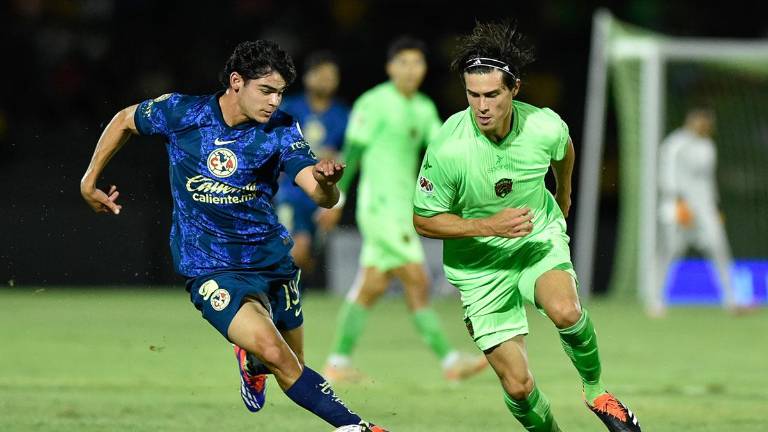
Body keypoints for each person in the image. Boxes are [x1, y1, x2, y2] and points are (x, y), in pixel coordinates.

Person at [80, 40, 386, 431]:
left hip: (271, 261)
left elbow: (320, 194)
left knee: (290, 362)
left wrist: (327, 184)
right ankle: (357, 427)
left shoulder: (281, 128)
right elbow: (125, 119)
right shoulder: (183, 112)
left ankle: (252, 363)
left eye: (280, 93)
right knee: (278, 354)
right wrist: (89, 180)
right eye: (267, 90)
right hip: (210, 266)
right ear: (237, 82)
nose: (274, 101)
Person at [412, 22, 641, 431]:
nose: (481, 106)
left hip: (535, 237)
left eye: (492, 95)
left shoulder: (543, 126)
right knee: (519, 387)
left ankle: (597, 392)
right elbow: (424, 220)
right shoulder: (449, 148)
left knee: (566, 311)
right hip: (479, 267)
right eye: (473, 95)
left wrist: (564, 192)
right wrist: (488, 225)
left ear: (514, 89)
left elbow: (564, 149)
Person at [322, 36, 488, 383]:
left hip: (402, 207)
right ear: (390, 68)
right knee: (417, 279)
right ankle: (450, 361)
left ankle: (337, 362)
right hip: (379, 207)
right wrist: (337, 199)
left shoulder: (423, 108)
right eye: (404, 63)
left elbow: (442, 151)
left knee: (371, 286)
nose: (411, 70)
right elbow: (352, 154)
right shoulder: (373, 103)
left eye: (417, 63)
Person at [654, 107, 740, 317]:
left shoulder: (708, 146)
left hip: (705, 208)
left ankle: (731, 300)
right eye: (703, 122)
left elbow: (708, 181)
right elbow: (666, 173)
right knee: (670, 252)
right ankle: (656, 299)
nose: (706, 126)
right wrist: (678, 201)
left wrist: (715, 206)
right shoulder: (675, 143)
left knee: (720, 248)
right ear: (692, 121)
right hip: (680, 207)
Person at [276, 50, 350, 280]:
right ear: (308, 77)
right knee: (295, 248)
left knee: (307, 259)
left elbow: (348, 160)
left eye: (332, 76)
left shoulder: (343, 115)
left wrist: (338, 203)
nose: (327, 80)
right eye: (321, 74)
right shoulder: (289, 108)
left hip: (322, 195)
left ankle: (290, 295)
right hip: (290, 192)